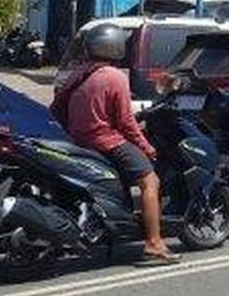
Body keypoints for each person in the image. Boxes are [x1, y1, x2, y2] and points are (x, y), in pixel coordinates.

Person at [51, 23, 177, 265]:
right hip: (107, 142)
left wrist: (76, 128)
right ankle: (154, 243)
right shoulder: (114, 77)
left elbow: (56, 110)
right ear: (116, 46)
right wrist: (147, 147)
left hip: (79, 143)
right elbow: (127, 123)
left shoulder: (77, 74)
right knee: (151, 181)